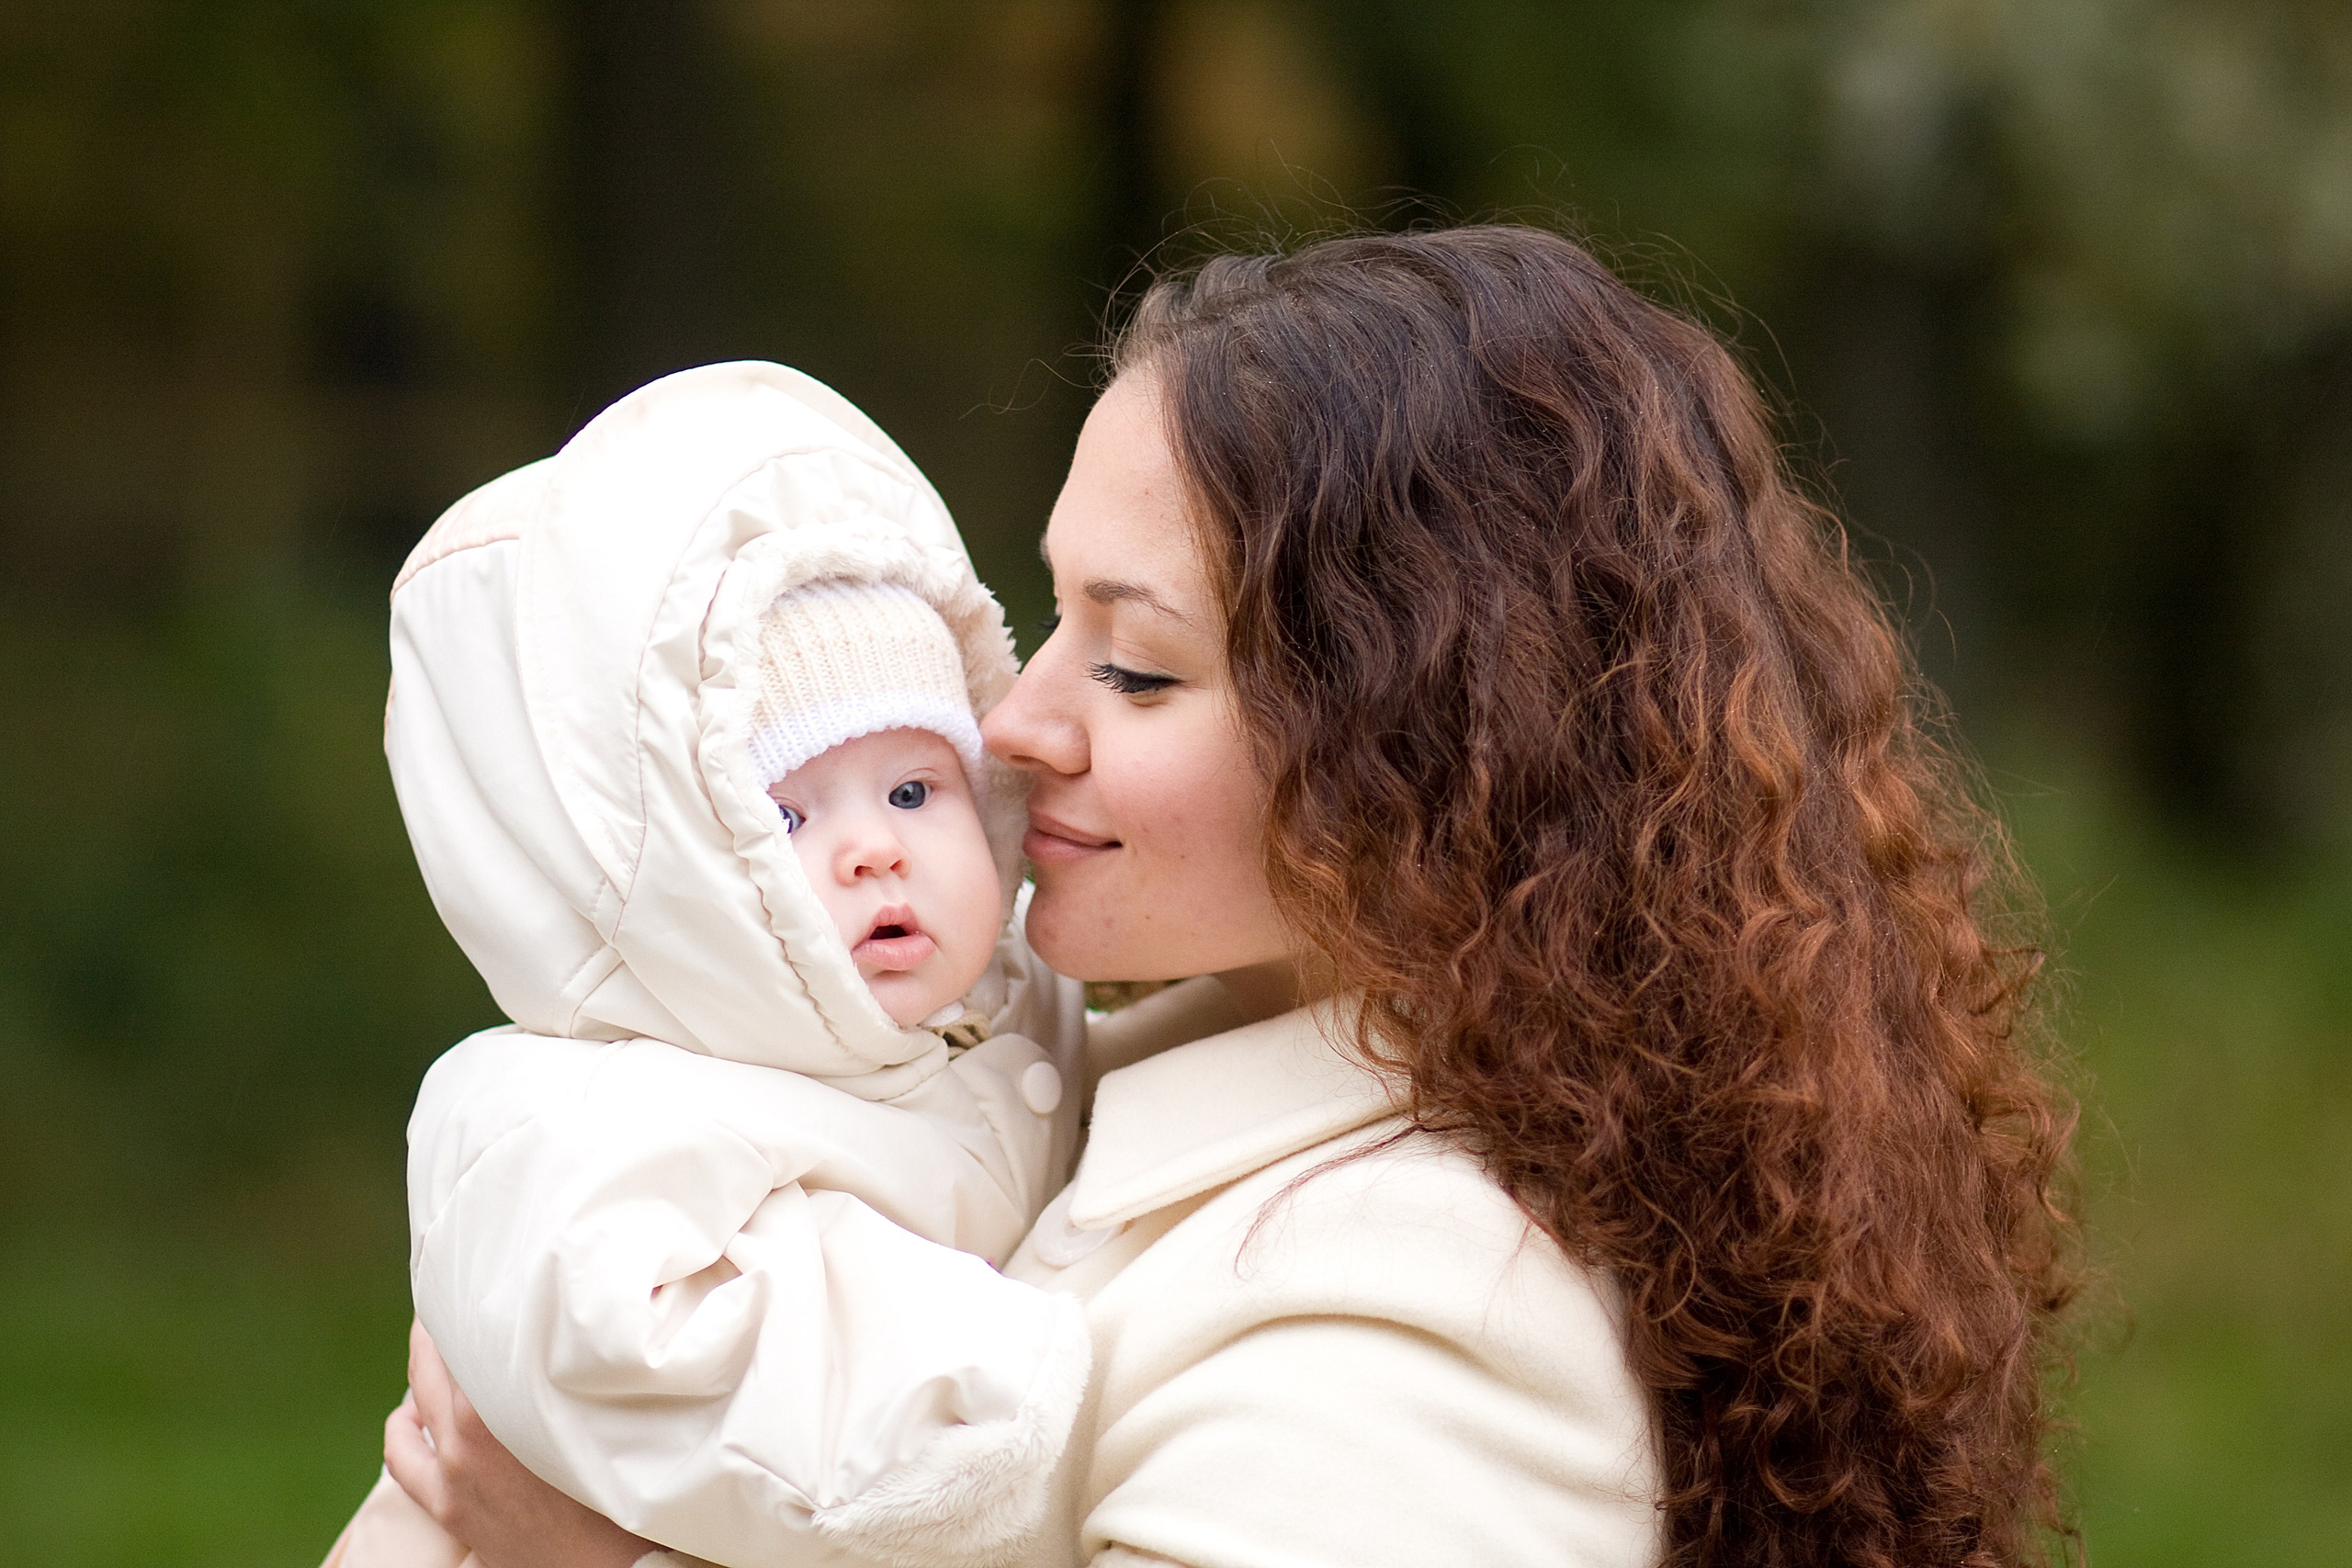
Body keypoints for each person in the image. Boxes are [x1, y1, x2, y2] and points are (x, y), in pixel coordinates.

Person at [388, 226, 2079, 1568]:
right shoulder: (1072, 1082)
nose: (1013, 722)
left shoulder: (1420, 1329)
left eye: (1133, 669)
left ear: (1418, 743)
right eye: (1049, 620)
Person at [324, 362, 1097, 1568]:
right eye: (786, 817)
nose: (874, 851)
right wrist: (1015, 1385)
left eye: (913, 788)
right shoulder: (580, 1120)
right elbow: (643, 1355)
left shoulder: (1011, 1012)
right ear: (672, 861)